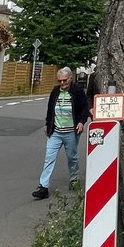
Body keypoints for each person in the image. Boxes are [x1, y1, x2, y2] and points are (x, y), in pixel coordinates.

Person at [32, 67, 89, 200]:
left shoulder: (77, 91)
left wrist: (81, 122)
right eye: (60, 81)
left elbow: (84, 108)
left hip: (71, 132)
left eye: (65, 80)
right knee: (49, 158)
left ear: (70, 78)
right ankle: (43, 186)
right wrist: (47, 123)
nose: (62, 83)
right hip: (56, 132)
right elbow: (50, 109)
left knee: (72, 157)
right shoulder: (55, 92)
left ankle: (74, 179)